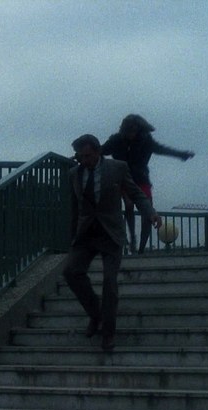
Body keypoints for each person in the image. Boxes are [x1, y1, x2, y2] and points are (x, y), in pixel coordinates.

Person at [63, 134, 161, 351]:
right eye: (81, 157)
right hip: (86, 233)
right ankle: (95, 314)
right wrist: (72, 237)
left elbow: (136, 194)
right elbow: (74, 208)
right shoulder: (74, 174)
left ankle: (108, 333)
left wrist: (151, 213)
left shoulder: (117, 168)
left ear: (98, 152)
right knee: (71, 272)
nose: (85, 161)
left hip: (111, 233)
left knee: (109, 282)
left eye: (88, 156)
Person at [101, 114, 194, 253]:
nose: (131, 135)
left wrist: (181, 154)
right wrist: (83, 156)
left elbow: (162, 149)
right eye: (128, 132)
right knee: (128, 205)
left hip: (141, 178)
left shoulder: (145, 140)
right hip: (123, 178)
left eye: (133, 132)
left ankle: (141, 249)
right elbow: (100, 151)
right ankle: (132, 236)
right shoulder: (116, 140)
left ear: (138, 130)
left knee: (148, 213)